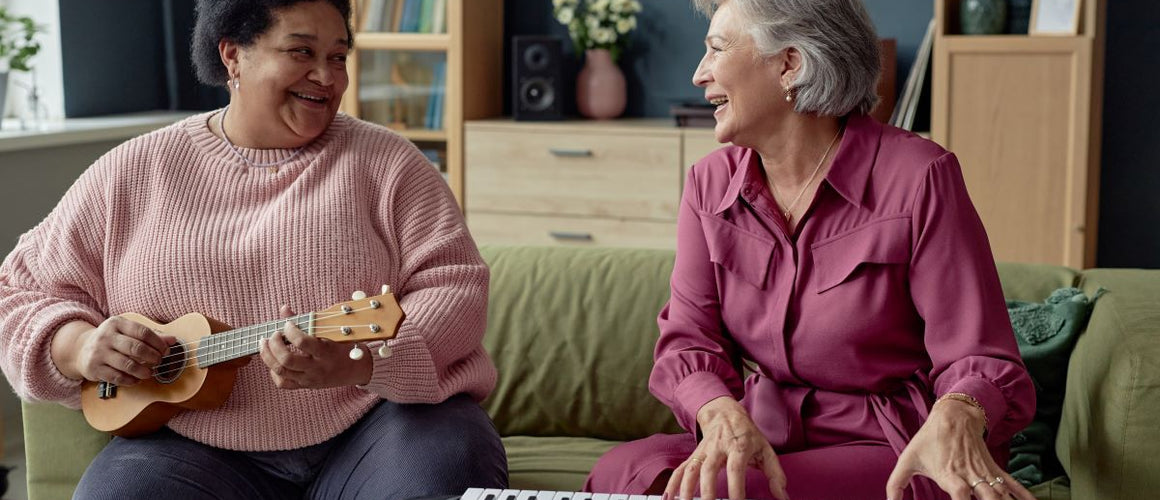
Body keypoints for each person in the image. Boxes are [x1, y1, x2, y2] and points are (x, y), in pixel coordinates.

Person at [0, 1, 507, 498]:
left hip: (379, 427)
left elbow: (454, 284)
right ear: (232, 56)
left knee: (445, 463)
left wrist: (362, 364)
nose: (326, 77)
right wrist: (79, 346)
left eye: (337, 57)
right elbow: (18, 290)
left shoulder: (390, 163)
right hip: (193, 448)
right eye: (301, 52)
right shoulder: (132, 171)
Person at [584, 1, 1037, 499]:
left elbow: (979, 354)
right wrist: (718, 412)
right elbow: (688, 341)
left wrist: (959, 409)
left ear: (790, 64)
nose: (698, 74)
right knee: (621, 475)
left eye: (715, 50)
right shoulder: (708, 186)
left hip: (893, 446)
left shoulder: (919, 177)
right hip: (768, 430)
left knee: (725, 493)